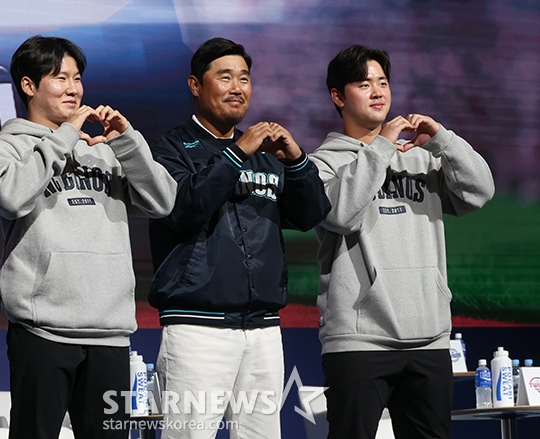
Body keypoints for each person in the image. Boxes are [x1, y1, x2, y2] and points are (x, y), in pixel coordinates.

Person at [0, 35, 177, 439]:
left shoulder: (101, 151)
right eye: (60, 78)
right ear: (29, 85)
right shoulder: (4, 148)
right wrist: (65, 136)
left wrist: (126, 140)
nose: (73, 89)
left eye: (77, 78)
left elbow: (163, 202)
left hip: (109, 330)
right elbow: (11, 197)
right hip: (42, 329)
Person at [147, 37, 331, 439]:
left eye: (244, 78)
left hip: (263, 329)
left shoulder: (266, 155)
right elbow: (184, 210)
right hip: (197, 328)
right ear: (196, 85)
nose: (237, 88)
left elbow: (311, 215)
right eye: (225, 77)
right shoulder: (169, 149)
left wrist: (297, 162)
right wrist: (237, 153)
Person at [309, 44, 495, 439]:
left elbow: (480, 192)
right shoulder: (322, 164)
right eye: (364, 84)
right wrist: (380, 148)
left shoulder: (421, 158)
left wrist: (443, 140)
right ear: (338, 96)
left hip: (429, 338)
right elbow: (339, 214)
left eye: (383, 82)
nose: (378, 92)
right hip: (359, 341)